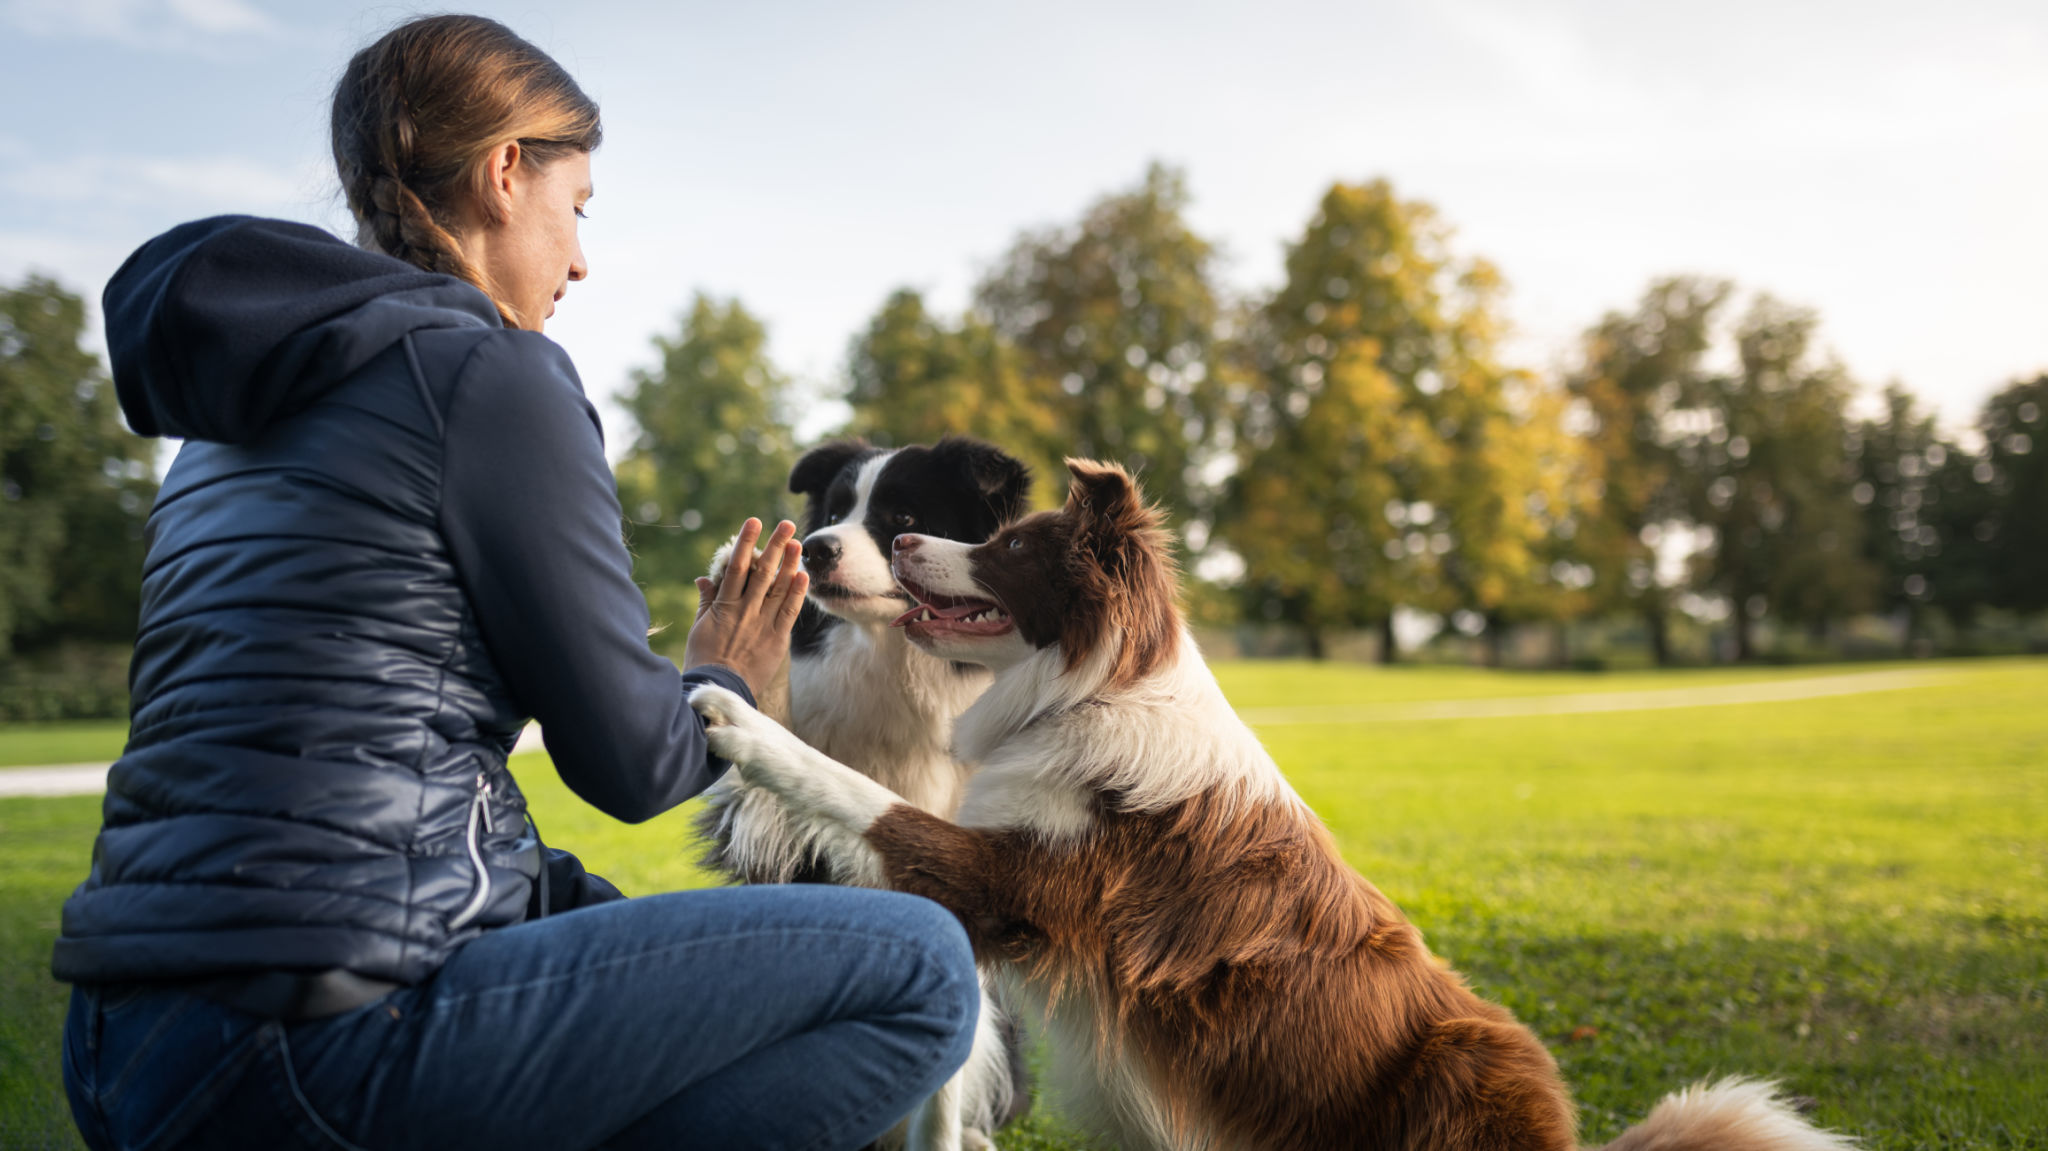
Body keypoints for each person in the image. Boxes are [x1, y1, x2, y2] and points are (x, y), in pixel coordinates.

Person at [54, 15, 978, 1151]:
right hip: (313, 1045)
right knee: (922, 961)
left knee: (676, 942)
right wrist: (723, 677)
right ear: (504, 173)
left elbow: (375, 768)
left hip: (124, 1044)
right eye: (576, 205)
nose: (581, 257)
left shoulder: (229, 422)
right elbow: (635, 764)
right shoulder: (490, 372)